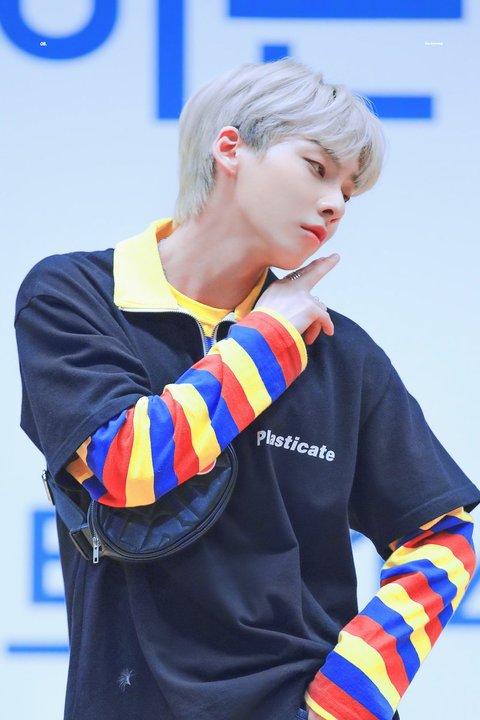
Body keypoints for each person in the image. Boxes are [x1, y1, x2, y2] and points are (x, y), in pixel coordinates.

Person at [15, 59, 479, 720]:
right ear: (230, 148)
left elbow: (445, 539)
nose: (334, 205)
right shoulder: (75, 297)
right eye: (317, 167)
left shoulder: (341, 353)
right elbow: (128, 466)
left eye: (349, 192)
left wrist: (344, 704)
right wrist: (264, 340)